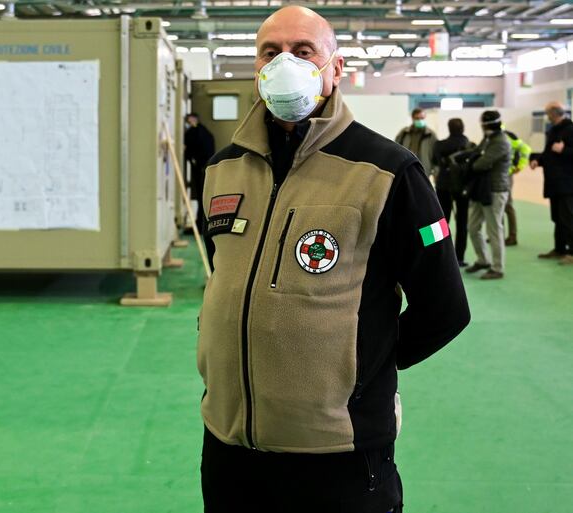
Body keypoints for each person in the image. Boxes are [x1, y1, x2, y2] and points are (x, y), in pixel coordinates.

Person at [197, 6, 471, 512]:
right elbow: (226, 277)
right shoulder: (223, 169)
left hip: (336, 452)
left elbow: (445, 309)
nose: (285, 63)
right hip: (229, 446)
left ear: (336, 68)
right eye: (270, 52)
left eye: (303, 51)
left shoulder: (387, 171)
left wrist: (360, 372)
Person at [465, 111, 512, 280]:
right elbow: (476, 154)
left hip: (495, 190)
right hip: (481, 189)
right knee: (473, 227)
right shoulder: (488, 139)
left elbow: (480, 163)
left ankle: (497, 268)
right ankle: (483, 260)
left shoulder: (501, 141)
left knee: (494, 230)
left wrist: (472, 160)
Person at [530, 102, 573, 265]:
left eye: (548, 113)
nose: (547, 116)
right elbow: (549, 152)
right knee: (557, 218)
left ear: (555, 113)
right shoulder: (553, 130)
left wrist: (564, 150)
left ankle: (571, 252)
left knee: (568, 217)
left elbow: (564, 152)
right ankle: (559, 248)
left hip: (567, 183)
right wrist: (538, 160)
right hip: (554, 182)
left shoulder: (570, 129)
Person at [432, 118, 473, 266]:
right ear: (463, 128)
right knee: (462, 223)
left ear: (449, 129)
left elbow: (435, 161)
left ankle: (434, 254)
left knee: (439, 222)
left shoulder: (439, 145)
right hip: (462, 186)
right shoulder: (469, 145)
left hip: (443, 185)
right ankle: (459, 258)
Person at [184, 113, 216, 234]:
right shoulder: (205, 133)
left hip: (200, 168)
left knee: (201, 197)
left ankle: (200, 226)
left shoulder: (195, 133)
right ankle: (201, 225)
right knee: (203, 197)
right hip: (206, 168)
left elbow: (190, 150)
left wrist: (190, 157)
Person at [503, 129, 531, 246]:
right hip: (497, 176)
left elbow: (526, 149)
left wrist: (520, 165)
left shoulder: (507, 136)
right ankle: (499, 235)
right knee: (498, 207)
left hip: (506, 175)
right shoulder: (494, 136)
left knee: (508, 206)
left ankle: (512, 236)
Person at [395, 108, 437, 176]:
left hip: (424, 169)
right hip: (407, 167)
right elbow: (396, 149)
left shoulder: (431, 135)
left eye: (422, 118)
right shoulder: (404, 133)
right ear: (412, 118)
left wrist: (435, 171)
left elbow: (435, 154)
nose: (420, 120)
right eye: (417, 118)